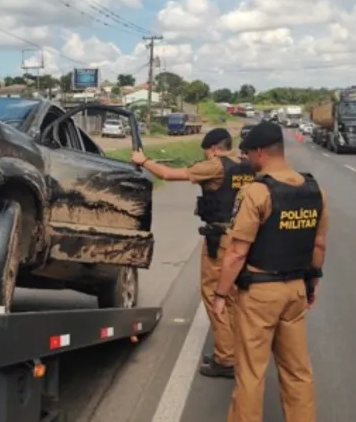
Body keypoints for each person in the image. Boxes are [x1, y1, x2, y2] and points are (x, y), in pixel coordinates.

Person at [212, 121, 328, 422]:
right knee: (297, 371)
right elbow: (319, 245)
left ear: (260, 152)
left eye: (248, 152)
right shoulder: (315, 191)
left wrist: (221, 294)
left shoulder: (257, 192)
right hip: (296, 292)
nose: (247, 159)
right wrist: (312, 285)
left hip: (260, 294)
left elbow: (237, 252)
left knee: (251, 372)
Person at [130, 127, 255, 378]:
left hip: (220, 240)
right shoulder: (246, 164)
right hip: (244, 237)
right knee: (234, 297)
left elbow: (168, 174)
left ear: (213, 149)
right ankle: (232, 350)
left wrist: (143, 161)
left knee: (214, 294)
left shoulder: (215, 166)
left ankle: (226, 359)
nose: (208, 156)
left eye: (207, 152)